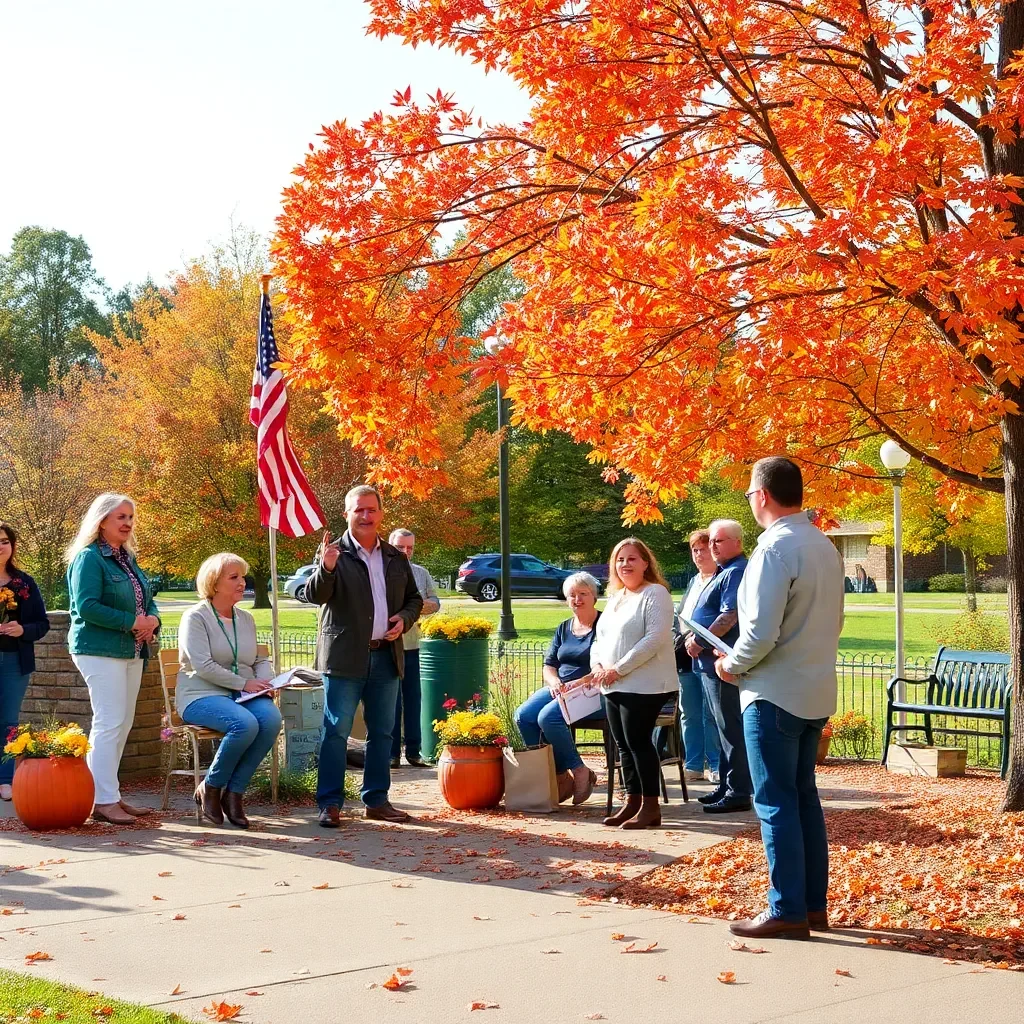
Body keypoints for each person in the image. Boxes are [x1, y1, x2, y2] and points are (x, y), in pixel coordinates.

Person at [715, 457, 844, 940]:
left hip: (773, 693)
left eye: (749, 493)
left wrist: (731, 664)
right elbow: (834, 622)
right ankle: (811, 906)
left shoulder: (774, 549)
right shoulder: (823, 545)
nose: (749, 501)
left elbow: (760, 632)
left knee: (775, 802)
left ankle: (787, 908)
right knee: (803, 800)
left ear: (763, 495)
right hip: (814, 689)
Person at [303, 485, 422, 827]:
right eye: (359, 510)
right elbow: (316, 595)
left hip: (386, 656)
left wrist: (404, 619)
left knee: (383, 732)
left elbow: (413, 599)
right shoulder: (333, 552)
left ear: (381, 514)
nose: (366, 516)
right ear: (347, 515)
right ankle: (329, 803)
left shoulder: (395, 557)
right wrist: (325, 568)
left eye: (371, 510)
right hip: (343, 658)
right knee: (336, 731)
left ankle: (377, 800)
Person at [66, 494, 161, 824]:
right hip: (98, 650)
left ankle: (108, 795)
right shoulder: (89, 558)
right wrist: (133, 622)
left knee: (122, 723)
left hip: (133, 650)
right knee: (108, 722)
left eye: (131, 517)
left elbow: (147, 599)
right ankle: (102, 800)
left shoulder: (126, 558)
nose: (127, 523)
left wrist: (152, 621)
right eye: (120, 516)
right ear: (101, 520)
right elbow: (86, 606)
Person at [176, 553, 283, 828]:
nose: (242, 582)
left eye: (242, 576)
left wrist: (265, 682)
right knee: (244, 724)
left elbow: (258, 659)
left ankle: (234, 793)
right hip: (200, 695)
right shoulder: (195, 617)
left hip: (241, 694)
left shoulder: (245, 618)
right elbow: (202, 665)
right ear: (214, 583)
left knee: (270, 720)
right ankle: (211, 787)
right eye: (233, 577)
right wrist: (244, 683)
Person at [591, 538, 676, 829]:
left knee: (639, 743)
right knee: (623, 746)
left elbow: (654, 639)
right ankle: (632, 801)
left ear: (645, 563)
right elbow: (599, 638)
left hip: (645, 684)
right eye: (620, 559)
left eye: (632, 559)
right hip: (612, 684)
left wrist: (618, 668)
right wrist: (599, 666)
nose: (625, 564)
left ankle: (651, 807)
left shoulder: (656, 594)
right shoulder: (615, 597)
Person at [514, 571, 603, 805]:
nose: (577, 599)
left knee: (549, 717)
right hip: (561, 687)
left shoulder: (604, 625)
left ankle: (580, 770)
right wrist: (554, 682)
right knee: (524, 716)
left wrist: (577, 684)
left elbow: (606, 667)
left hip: (592, 690)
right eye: (572, 595)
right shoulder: (564, 628)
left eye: (583, 594)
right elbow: (549, 664)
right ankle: (559, 775)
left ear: (594, 596)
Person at [683, 518, 752, 814]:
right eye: (710, 540)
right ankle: (726, 784)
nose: (712, 546)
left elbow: (730, 615)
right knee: (723, 728)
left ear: (737, 542)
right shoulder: (722, 571)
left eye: (718, 541)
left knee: (729, 729)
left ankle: (737, 792)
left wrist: (698, 639)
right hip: (708, 664)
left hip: (722, 662)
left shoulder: (735, 572)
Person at [0, 522, 50, 801]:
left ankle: (6, 780)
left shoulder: (24, 584)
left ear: (12, 545)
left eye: (4, 541)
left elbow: (42, 624)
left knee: (8, 721)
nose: (0, 547)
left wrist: (23, 630)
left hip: (13, 661)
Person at [668, 530, 720, 783]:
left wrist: (700, 641)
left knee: (711, 712)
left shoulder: (722, 579)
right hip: (684, 655)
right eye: (695, 550)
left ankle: (716, 763)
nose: (699, 554)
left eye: (703, 548)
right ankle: (694, 763)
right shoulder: (693, 581)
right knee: (689, 712)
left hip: (709, 654)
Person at [387, 529, 440, 769]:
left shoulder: (421, 573)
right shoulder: (382, 571)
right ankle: (391, 754)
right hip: (387, 646)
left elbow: (435, 602)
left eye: (410, 548)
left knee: (414, 699)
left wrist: (416, 607)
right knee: (389, 701)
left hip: (414, 645)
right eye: (400, 547)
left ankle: (414, 751)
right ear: (390, 545)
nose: (406, 552)